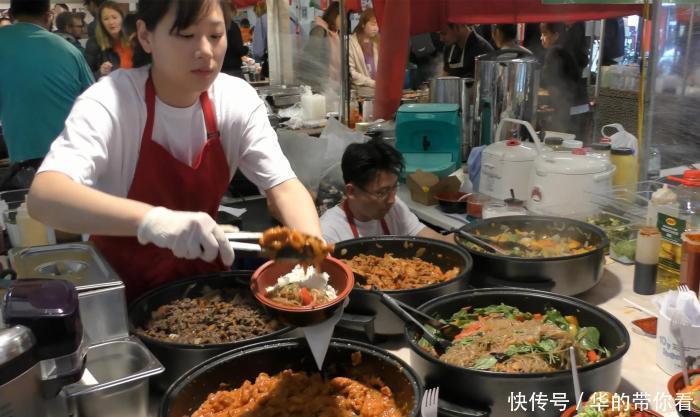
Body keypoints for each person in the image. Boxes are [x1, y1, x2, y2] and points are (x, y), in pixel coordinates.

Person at [27, 0, 321, 300]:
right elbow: (45, 198)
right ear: (145, 36)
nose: (205, 50)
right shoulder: (111, 101)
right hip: (121, 296)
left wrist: (315, 260)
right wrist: (154, 221)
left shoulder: (236, 100)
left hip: (207, 292)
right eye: (185, 35)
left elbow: (284, 188)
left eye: (215, 36)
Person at [0, 0, 93, 189]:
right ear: (48, 16)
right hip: (70, 157)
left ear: (10, 15)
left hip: (22, 161)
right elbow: (93, 101)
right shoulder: (69, 50)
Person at [320, 139, 454, 244]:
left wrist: (469, 237)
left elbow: (436, 241)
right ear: (351, 191)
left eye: (394, 187)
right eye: (381, 193)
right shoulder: (329, 232)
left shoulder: (394, 207)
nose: (391, 199)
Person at [539, 22, 590, 136]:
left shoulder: (554, 52)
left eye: (545, 34)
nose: (541, 38)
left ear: (556, 35)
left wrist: (547, 104)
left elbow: (553, 86)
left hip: (570, 109)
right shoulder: (566, 49)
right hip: (582, 105)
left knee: (564, 145)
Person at [297, 2, 340, 93]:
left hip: (333, 84)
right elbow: (312, 59)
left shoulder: (337, 34)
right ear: (333, 16)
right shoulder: (320, 31)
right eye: (341, 18)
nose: (344, 21)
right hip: (320, 85)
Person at [84, 1, 133, 79]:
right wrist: (100, 73)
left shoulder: (133, 41)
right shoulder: (93, 44)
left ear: (122, 19)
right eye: (106, 19)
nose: (111, 22)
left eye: (114, 17)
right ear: (101, 23)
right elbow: (85, 78)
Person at [348, 8, 379, 93]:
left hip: (378, 91)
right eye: (373, 24)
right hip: (361, 92)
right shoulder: (351, 43)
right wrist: (372, 83)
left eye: (378, 25)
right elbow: (352, 73)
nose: (376, 28)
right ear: (363, 24)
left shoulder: (378, 42)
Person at [221, 2, 248, 78]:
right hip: (233, 69)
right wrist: (246, 49)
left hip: (221, 68)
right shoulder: (232, 26)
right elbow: (239, 49)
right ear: (231, 11)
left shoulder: (217, 26)